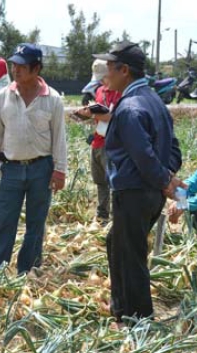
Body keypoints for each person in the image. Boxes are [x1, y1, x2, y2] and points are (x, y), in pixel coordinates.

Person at [93, 41, 183, 324]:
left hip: (134, 192)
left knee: (131, 256)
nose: (106, 74)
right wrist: (166, 176)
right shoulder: (154, 101)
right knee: (117, 243)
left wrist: (164, 181)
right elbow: (174, 150)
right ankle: (121, 307)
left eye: (110, 67)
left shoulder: (130, 108)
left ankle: (139, 317)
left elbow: (143, 157)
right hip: (147, 192)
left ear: (125, 70)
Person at [0, 43, 67, 275]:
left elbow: (60, 137)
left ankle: (27, 270)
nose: (15, 70)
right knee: (5, 221)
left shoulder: (53, 99)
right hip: (11, 169)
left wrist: (60, 170)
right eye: (13, 65)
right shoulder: (3, 96)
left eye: (21, 66)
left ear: (36, 68)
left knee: (36, 223)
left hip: (42, 168)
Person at [75, 59, 122, 228]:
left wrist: (94, 115)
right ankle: (102, 216)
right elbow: (99, 115)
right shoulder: (100, 91)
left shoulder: (119, 93)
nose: (102, 82)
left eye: (104, 78)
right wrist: (85, 115)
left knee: (113, 182)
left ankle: (118, 217)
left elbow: (115, 117)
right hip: (97, 141)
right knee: (100, 181)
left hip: (111, 143)